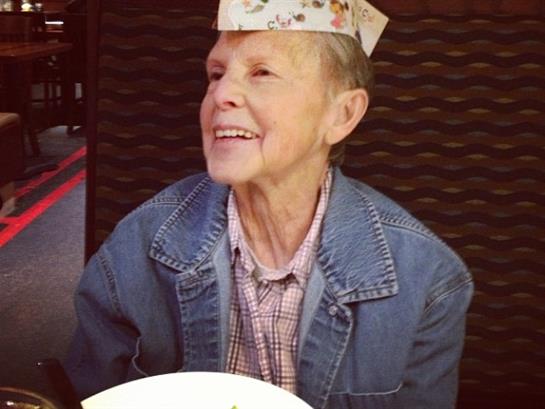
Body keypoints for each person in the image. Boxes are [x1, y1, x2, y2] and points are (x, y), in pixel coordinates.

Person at [65, 1, 473, 408]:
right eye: (216, 74)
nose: (221, 94)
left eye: (261, 73)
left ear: (342, 114)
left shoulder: (428, 278)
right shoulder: (135, 249)